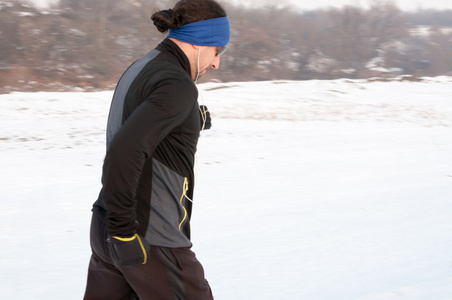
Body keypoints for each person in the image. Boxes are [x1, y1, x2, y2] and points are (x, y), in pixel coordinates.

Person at [83, 0, 230, 299]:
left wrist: (193, 119)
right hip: (148, 238)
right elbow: (124, 151)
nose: (216, 63)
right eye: (218, 51)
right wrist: (124, 231)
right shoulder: (177, 86)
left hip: (104, 229)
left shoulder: (143, 66)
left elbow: (137, 120)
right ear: (201, 42)